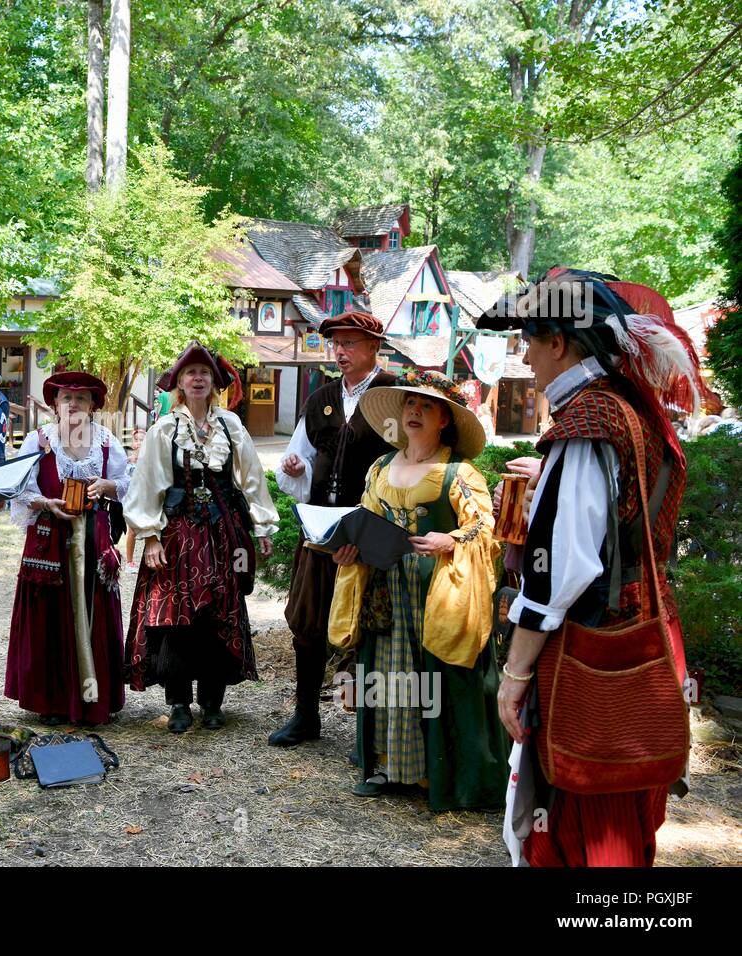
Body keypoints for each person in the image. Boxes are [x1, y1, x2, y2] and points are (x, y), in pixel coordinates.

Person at [485, 269, 697, 867]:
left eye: (529, 340)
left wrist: (517, 671)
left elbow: (563, 572)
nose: (524, 355)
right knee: (619, 815)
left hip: (594, 653)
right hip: (645, 634)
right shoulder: (627, 409)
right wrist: (550, 479)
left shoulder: (585, 427)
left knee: (586, 823)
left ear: (559, 343)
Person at [327, 370, 508, 808]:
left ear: (444, 419)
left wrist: (451, 541)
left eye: (426, 406)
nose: (415, 412)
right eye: (410, 404)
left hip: (439, 591)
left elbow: (485, 528)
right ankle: (388, 765)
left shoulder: (457, 471)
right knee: (388, 674)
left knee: (436, 678)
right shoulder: (381, 467)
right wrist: (348, 550)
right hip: (387, 586)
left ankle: (437, 774)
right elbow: (363, 521)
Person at [122, 342, 278, 732]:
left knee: (216, 615)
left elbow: (252, 478)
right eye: (190, 373)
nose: (197, 378)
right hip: (177, 536)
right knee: (175, 617)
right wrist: (151, 537)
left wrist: (261, 525)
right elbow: (146, 486)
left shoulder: (231, 425)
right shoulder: (164, 429)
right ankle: (178, 703)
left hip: (223, 534)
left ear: (213, 383)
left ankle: (212, 702)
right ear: (179, 383)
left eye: (204, 374)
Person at [269, 309, 397, 747]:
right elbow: (299, 461)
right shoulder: (320, 396)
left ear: (373, 347)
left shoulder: (393, 395)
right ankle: (306, 717)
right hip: (321, 530)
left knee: (372, 629)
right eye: (335, 344)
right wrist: (295, 466)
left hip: (372, 532)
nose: (340, 351)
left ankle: (371, 732)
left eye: (350, 344)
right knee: (308, 623)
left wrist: (375, 538)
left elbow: (407, 468)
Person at [5, 372, 130, 726]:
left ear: (93, 406)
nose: (73, 404)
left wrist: (106, 485)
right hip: (49, 541)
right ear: (55, 405)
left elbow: (127, 484)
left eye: (81, 398)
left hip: (93, 537)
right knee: (51, 615)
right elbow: (18, 489)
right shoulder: (38, 440)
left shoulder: (106, 442)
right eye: (66, 398)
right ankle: (53, 701)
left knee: (93, 609)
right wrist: (45, 502)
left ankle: (94, 697)